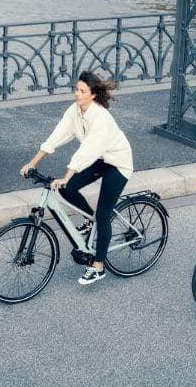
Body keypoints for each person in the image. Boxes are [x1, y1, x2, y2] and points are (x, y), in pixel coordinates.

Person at [21, 71, 133, 285]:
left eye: (82, 91)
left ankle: (98, 265)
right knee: (65, 189)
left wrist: (66, 175)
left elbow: (87, 151)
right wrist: (33, 162)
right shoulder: (75, 111)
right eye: (76, 89)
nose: (77, 94)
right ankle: (90, 222)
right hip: (99, 159)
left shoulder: (101, 118)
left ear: (92, 95)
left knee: (103, 214)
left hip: (117, 163)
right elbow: (57, 135)